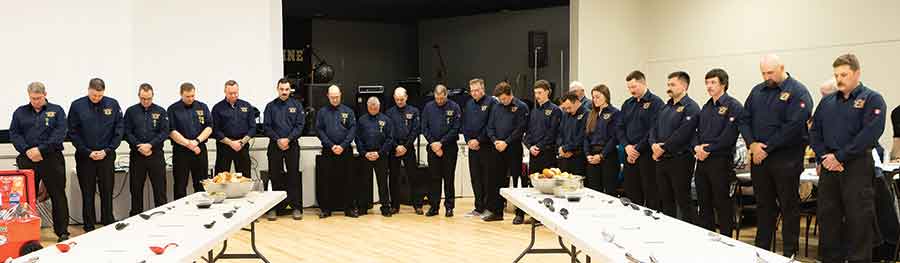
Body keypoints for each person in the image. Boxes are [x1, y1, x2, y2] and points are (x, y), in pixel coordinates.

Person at [810, 53, 886, 263]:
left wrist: (840, 157)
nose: (839, 79)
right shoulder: (827, 103)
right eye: (836, 75)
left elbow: (870, 133)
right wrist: (824, 156)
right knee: (828, 219)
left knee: (859, 221)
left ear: (857, 73)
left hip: (856, 167)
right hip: (829, 168)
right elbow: (814, 130)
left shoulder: (872, 99)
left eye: (844, 74)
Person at [738, 54, 813, 257]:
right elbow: (744, 119)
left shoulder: (798, 92)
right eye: (763, 73)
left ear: (782, 68)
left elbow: (794, 127)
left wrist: (766, 148)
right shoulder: (757, 91)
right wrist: (752, 145)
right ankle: (761, 249)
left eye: (770, 72)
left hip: (786, 158)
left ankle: (789, 252)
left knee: (789, 206)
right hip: (759, 158)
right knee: (764, 205)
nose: (766, 76)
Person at [10, 82, 70, 241]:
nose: (35, 101)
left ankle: (62, 232)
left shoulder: (56, 110)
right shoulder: (20, 112)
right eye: (32, 98)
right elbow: (14, 134)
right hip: (27, 159)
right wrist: (27, 150)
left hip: (51, 158)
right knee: (26, 198)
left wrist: (41, 150)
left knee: (58, 195)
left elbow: (59, 134)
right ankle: (26, 232)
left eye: (38, 98)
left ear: (45, 94)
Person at [68, 78, 123, 231]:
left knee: (107, 190)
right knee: (87, 192)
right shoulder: (77, 105)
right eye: (94, 96)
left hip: (106, 155)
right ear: (88, 90)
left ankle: (108, 221)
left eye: (99, 96)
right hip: (86, 157)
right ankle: (89, 225)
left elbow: (119, 130)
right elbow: (72, 132)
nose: (97, 98)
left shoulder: (113, 104)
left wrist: (107, 150)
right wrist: (87, 152)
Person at [693, 68, 743, 237]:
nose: (709, 86)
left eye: (713, 82)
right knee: (704, 202)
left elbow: (729, 136)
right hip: (702, 161)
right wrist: (697, 147)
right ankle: (707, 237)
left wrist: (708, 149)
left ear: (723, 84)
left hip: (720, 162)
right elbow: (696, 132)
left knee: (722, 204)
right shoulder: (706, 107)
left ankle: (727, 239)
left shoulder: (733, 106)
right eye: (707, 82)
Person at [650, 71, 700, 222]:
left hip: (680, 159)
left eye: (673, 84)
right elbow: (653, 128)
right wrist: (653, 145)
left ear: (684, 86)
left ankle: (692, 234)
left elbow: (683, 133)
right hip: (662, 159)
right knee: (666, 200)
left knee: (682, 200)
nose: (669, 87)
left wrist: (662, 148)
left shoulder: (691, 107)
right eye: (668, 84)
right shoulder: (666, 107)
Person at [617, 70, 664, 209]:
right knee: (632, 190)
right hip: (629, 152)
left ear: (643, 83)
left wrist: (637, 149)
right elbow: (620, 127)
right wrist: (626, 146)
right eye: (629, 87)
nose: (631, 90)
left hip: (646, 154)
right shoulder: (627, 103)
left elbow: (653, 129)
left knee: (650, 191)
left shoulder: (656, 102)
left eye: (634, 87)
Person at [483, 82, 528, 222]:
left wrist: (506, 142)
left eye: (504, 99)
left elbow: (520, 129)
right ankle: (497, 211)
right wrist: (495, 140)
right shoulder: (496, 107)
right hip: (497, 148)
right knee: (496, 180)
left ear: (510, 95)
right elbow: (489, 126)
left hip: (513, 147)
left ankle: (519, 213)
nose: (502, 102)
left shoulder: (521, 107)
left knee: (517, 180)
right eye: (500, 99)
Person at [263, 78, 306, 221]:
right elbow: (267, 127)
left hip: (292, 145)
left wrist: (288, 139)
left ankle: (296, 208)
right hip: (275, 146)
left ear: (290, 90)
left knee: (293, 176)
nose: (284, 92)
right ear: (277, 89)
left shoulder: (297, 105)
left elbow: (300, 126)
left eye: (287, 89)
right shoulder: (270, 106)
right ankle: (274, 209)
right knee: (274, 176)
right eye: (282, 89)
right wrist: (278, 140)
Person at [123, 83, 169, 216]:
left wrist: (150, 145)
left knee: (160, 190)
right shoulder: (131, 111)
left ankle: (161, 217)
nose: (146, 101)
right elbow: (127, 132)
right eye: (143, 98)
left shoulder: (160, 111)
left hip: (156, 155)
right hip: (137, 156)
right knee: (136, 190)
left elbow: (164, 132)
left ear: (152, 96)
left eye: (148, 98)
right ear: (139, 96)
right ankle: (136, 219)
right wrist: (139, 146)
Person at [520, 80, 561, 224]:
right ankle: (535, 215)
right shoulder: (534, 111)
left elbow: (552, 132)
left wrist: (539, 146)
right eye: (535, 93)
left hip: (547, 153)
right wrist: (530, 146)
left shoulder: (555, 110)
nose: (537, 96)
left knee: (548, 185)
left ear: (547, 92)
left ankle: (548, 216)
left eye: (540, 93)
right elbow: (528, 133)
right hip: (534, 153)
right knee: (535, 185)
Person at [316, 85, 358, 218]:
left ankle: (349, 208)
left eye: (337, 97)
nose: (335, 99)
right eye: (332, 97)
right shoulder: (322, 112)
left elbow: (352, 130)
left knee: (349, 179)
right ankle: (326, 209)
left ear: (341, 95)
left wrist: (343, 145)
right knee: (326, 180)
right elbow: (319, 130)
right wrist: (331, 145)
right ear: (328, 96)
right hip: (329, 150)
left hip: (345, 150)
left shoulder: (348, 111)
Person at [168, 82, 213, 199]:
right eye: (187, 96)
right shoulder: (173, 109)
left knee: (202, 184)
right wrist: (189, 144)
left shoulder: (202, 107)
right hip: (181, 151)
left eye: (193, 96)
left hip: (200, 150)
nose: (190, 99)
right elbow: (172, 131)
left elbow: (209, 127)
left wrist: (197, 141)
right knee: (180, 185)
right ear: (181, 94)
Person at [421, 84, 461, 217]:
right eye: (437, 98)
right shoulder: (428, 107)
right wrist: (433, 144)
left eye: (441, 98)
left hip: (449, 148)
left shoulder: (454, 107)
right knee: (434, 178)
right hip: (433, 148)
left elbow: (455, 129)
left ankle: (449, 207)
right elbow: (424, 127)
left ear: (446, 95)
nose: (439, 101)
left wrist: (441, 143)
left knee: (449, 178)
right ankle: (434, 206)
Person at [461, 78, 495, 218]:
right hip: (472, 147)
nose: (474, 93)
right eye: (472, 90)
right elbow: (465, 124)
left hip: (486, 146)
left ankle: (488, 207)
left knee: (487, 178)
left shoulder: (491, 102)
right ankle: (478, 207)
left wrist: (479, 140)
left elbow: (490, 125)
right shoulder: (469, 104)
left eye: (477, 90)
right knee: (475, 177)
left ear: (483, 89)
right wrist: (469, 140)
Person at [385, 87, 423, 215]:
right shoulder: (389, 113)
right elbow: (388, 132)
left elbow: (415, 130)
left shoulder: (414, 111)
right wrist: (396, 146)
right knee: (394, 177)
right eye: (397, 99)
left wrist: (405, 147)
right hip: (394, 148)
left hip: (408, 147)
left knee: (414, 176)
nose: (399, 101)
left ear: (406, 97)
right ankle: (395, 205)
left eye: (401, 99)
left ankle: (417, 205)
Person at [356, 97, 395, 217]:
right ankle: (363, 207)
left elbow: (390, 138)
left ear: (379, 106)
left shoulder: (386, 120)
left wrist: (380, 153)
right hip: (366, 156)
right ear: (367, 106)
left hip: (381, 156)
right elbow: (357, 138)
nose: (373, 107)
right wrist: (364, 153)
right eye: (371, 105)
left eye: (375, 105)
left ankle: (385, 207)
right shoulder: (362, 120)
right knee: (364, 182)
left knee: (383, 182)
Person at [212, 80, 258, 177]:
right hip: (224, 147)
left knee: (245, 178)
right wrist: (231, 143)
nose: (233, 95)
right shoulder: (217, 108)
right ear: (225, 92)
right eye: (230, 93)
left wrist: (241, 142)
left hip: (242, 146)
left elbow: (253, 128)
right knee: (221, 178)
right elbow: (216, 130)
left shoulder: (246, 106)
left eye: (235, 93)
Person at [583, 84, 620, 195]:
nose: (595, 100)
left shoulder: (614, 113)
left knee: (609, 192)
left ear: (606, 96)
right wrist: (587, 154)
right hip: (592, 156)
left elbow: (614, 138)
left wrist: (601, 155)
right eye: (593, 97)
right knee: (594, 191)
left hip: (608, 156)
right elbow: (586, 137)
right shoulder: (592, 114)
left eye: (598, 97)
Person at [557, 93, 587, 176]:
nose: (568, 110)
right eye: (565, 108)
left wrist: (567, 148)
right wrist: (561, 148)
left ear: (577, 102)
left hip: (578, 157)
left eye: (569, 107)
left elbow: (582, 137)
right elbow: (560, 133)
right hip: (564, 157)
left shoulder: (586, 114)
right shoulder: (566, 115)